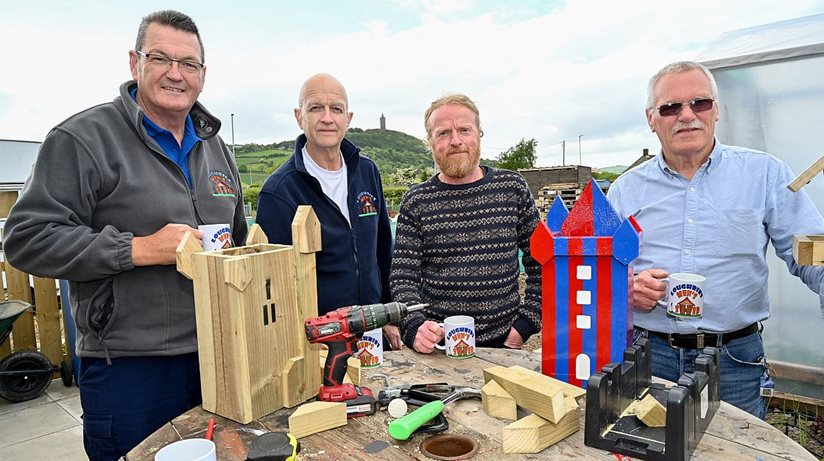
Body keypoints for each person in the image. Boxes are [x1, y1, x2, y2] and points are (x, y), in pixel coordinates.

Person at [3, 10, 247, 460]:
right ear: (134, 63)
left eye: (188, 63)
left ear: (203, 74)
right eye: (160, 58)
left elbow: (238, 240)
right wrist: (137, 249)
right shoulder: (83, 139)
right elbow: (26, 237)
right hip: (130, 368)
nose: (176, 73)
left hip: (219, 354)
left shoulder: (218, 148)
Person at [607, 61, 824, 419]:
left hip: (733, 358)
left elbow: (811, 253)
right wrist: (622, 288)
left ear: (717, 110)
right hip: (648, 352)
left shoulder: (765, 174)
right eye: (670, 107)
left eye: (700, 103)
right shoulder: (625, 190)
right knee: (646, 446)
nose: (686, 115)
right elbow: (598, 268)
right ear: (651, 119)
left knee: (736, 450)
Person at [256, 73, 400, 349]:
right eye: (315, 108)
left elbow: (384, 250)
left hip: (373, 333)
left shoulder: (367, 172)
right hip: (322, 341)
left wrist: (388, 315)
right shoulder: (279, 192)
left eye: (336, 108)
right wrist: (298, 336)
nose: (327, 117)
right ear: (299, 116)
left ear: (349, 117)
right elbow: (271, 283)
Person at [391, 94, 542, 353]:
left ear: (478, 134)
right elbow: (403, 277)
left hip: (504, 345)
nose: (456, 140)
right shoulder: (416, 201)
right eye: (443, 133)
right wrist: (415, 327)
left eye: (464, 130)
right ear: (430, 142)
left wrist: (526, 324)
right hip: (438, 347)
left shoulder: (512, 188)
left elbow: (541, 262)